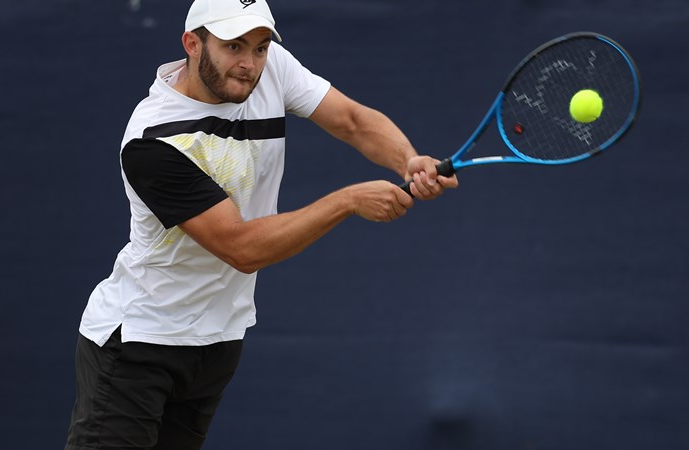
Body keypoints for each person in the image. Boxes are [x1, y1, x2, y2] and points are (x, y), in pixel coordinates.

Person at [64, 0, 458, 449]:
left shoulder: (271, 68)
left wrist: (407, 160)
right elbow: (241, 248)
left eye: (260, 47)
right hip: (138, 346)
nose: (249, 64)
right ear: (193, 43)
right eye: (234, 46)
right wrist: (347, 200)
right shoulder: (155, 142)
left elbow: (351, 121)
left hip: (217, 340)